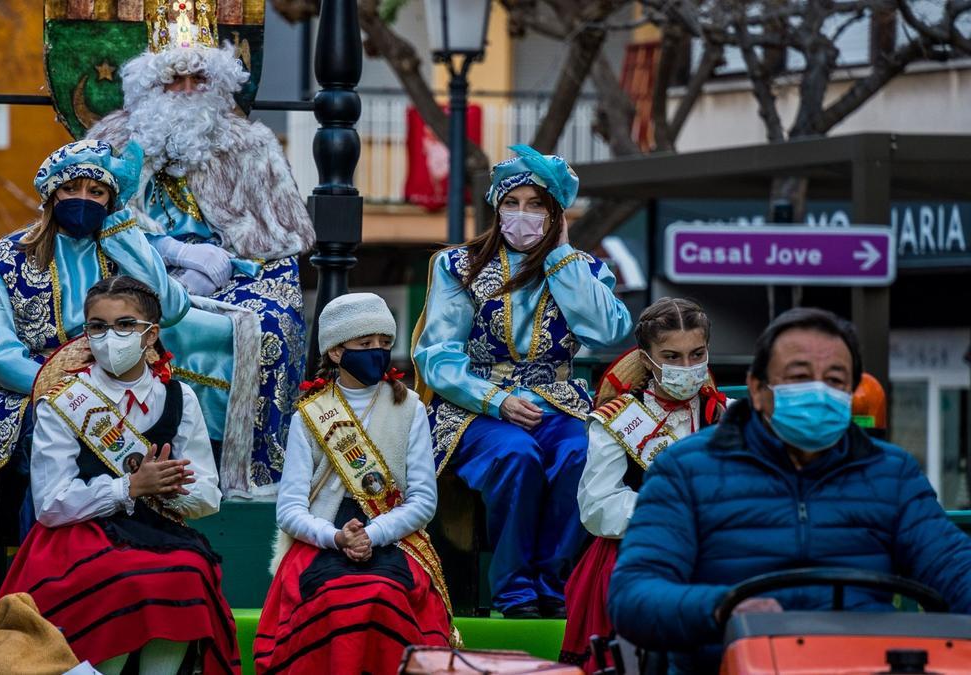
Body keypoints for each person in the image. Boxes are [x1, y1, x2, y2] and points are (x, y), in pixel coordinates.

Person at [609, 307, 971, 674]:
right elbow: (635, 593)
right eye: (799, 377)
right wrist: (721, 607)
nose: (819, 391)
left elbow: (952, 564)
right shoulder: (685, 470)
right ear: (758, 389)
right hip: (733, 660)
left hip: (865, 662)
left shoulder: (892, 473)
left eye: (835, 379)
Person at [89, 2, 314, 499]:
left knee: (268, 326)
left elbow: (279, 244)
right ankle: (132, 461)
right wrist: (171, 256)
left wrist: (224, 268)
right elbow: (90, 222)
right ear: (150, 85)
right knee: (137, 319)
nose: (187, 92)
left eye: (198, 81)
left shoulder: (250, 145)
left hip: (233, 284)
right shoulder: (111, 141)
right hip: (135, 276)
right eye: (175, 81)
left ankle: (241, 472)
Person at [413, 145, 633, 617]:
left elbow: (610, 331)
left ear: (556, 213)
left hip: (562, 405)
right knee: (517, 455)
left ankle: (552, 587)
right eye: (512, 203)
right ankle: (513, 593)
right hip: (475, 407)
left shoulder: (586, 270)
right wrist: (496, 400)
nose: (522, 215)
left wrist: (562, 257)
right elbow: (437, 356)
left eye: (537, 205)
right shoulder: (458, 266)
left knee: (582, 453)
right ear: (496, 206)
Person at [0, 139, 189, 582]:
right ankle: (41, 577)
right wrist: (55, 386)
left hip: (121, 384)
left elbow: (172, 307)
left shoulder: (118, 251)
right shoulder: (7, 258)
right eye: (72, 189)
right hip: (27, 391)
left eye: (96, 192)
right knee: (47, 450)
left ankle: (139, 565)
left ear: (110, 200)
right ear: (51, 195)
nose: (83, 200)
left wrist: (124, 233)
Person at [0, 276, 238, 674]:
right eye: (97, 326)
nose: (111, 336)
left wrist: (168, 489)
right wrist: (128, 487)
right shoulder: (65, 401)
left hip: (156, 528)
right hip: (76, 534)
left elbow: (207, 495)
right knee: (119, 579)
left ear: (151, 335)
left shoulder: (179, 398)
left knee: (188, 572)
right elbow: (51, 504)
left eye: (125, 325)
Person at [255, 293, 454, 673]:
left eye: (384, 343)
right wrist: (337, 538)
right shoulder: (310, 415)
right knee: (330, 596)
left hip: (392, 532)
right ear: (335, 351)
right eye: (365, 344)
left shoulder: (410, 407)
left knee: (385, 593)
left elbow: (423, 501)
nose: (377, 352)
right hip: (325, 534)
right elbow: (290, 510)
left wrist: (372, 534)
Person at [560, 298, 726, 669]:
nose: (687, 367)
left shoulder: (726, 413)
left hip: (716, 552)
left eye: (696, 354)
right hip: (639, 554)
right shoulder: (616, 421)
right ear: (647, 358)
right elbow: (597, 507)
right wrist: (673, 512)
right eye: (672, 356)